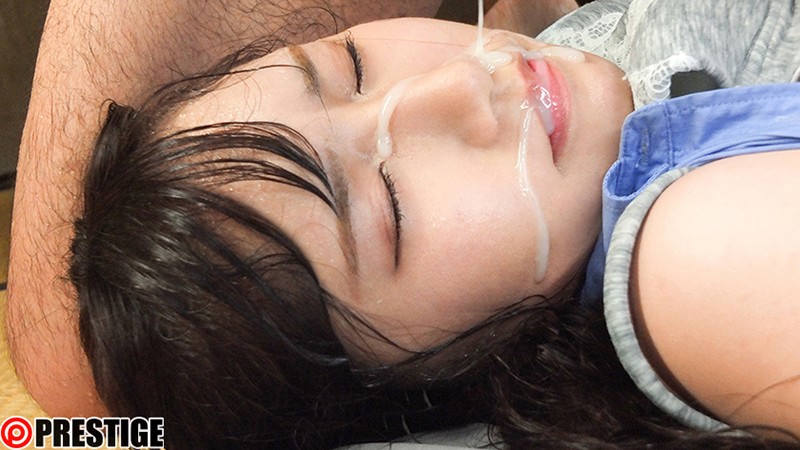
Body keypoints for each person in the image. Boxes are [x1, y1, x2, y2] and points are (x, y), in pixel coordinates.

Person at [9, 0, 800, 449]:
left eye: (349, 65)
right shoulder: (685, 258)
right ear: (424, 387)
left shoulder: (565, 76)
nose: (458, 85)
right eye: (390, 208)